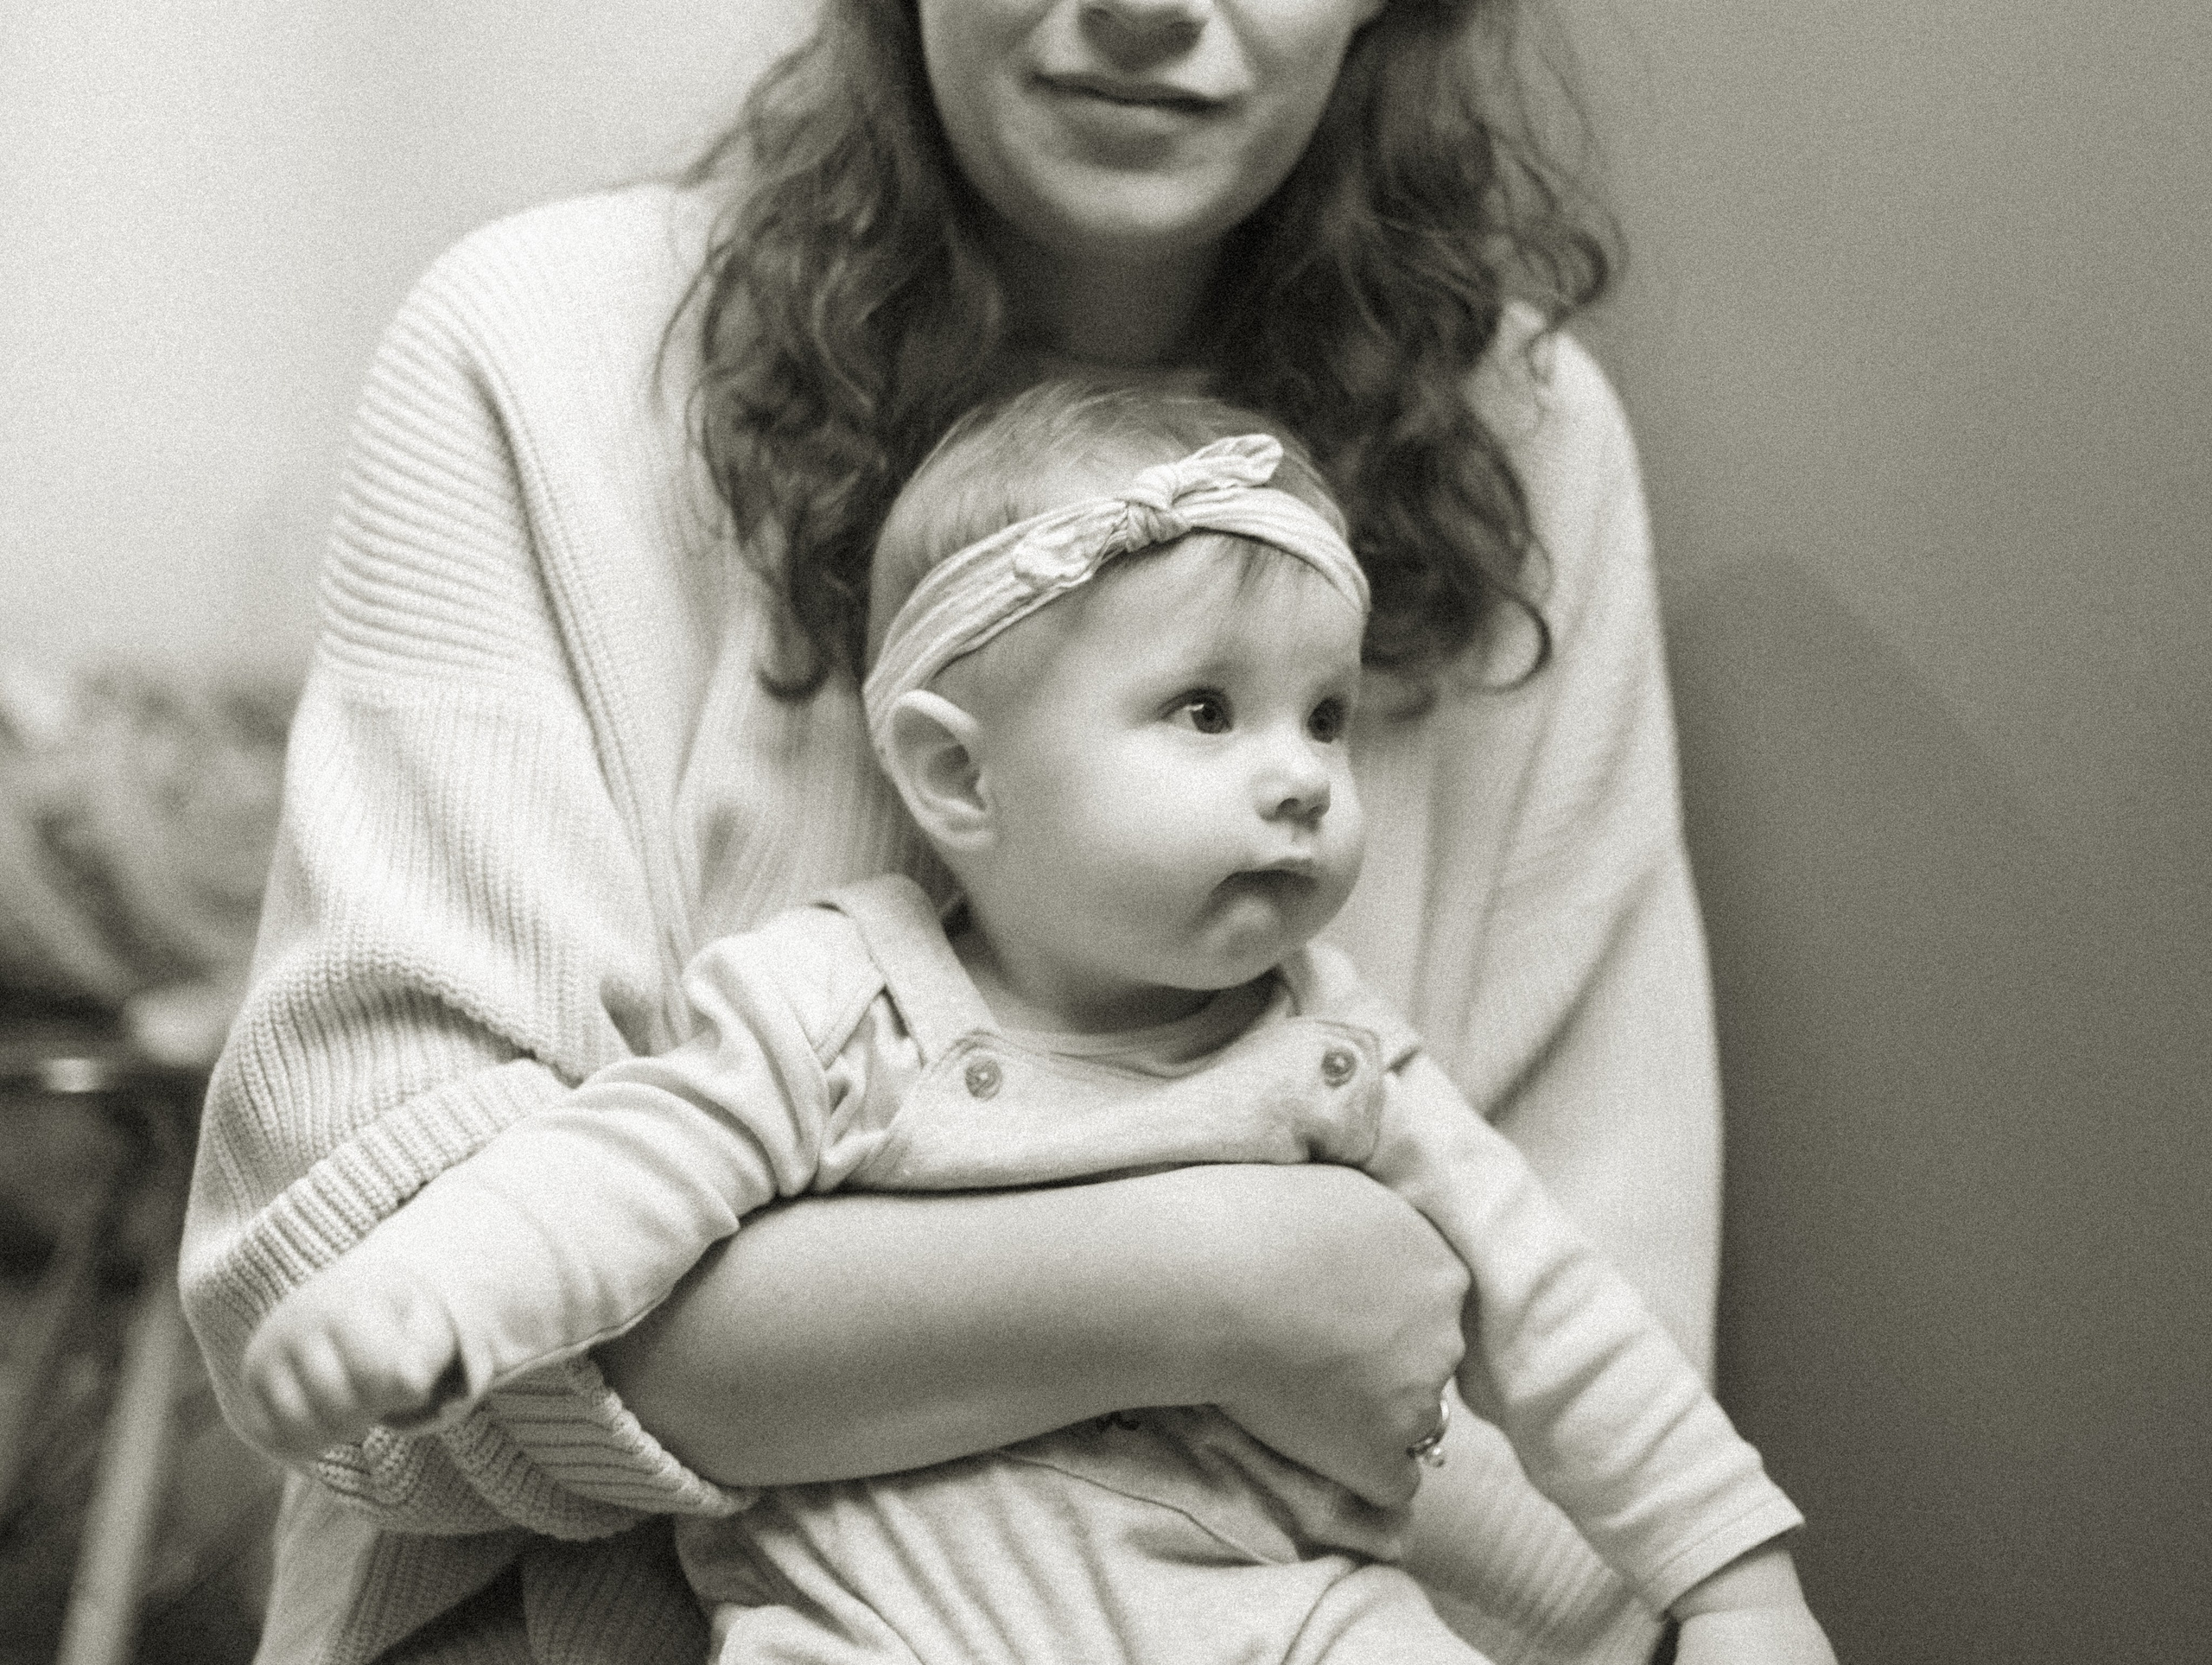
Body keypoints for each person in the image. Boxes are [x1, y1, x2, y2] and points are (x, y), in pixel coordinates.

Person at [181, 3, 1744, 1662]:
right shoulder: (544, 354)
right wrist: (1219, 1282)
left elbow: (1575, 1405)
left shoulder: (1526, 438)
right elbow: (371, 1340)